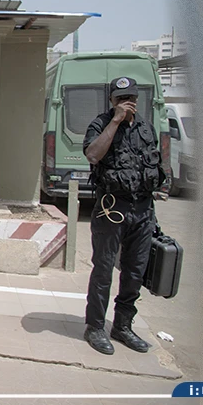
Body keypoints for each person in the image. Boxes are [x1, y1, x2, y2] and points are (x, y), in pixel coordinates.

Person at [81, 76, 168, 356]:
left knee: (134, 272)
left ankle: (122, 326)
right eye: (120, 99)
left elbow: (155, 163)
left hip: (142, 211)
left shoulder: (146, 128)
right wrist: (116, 121)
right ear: (111, 100)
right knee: (104, 270)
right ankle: (95, 326)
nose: (126, 103)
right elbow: (93, 155)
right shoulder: (101, 124)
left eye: (130, 98)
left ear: (137, 99)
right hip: (112, 209)